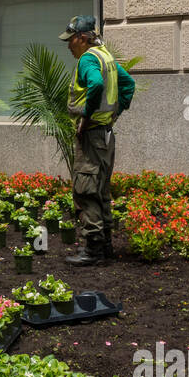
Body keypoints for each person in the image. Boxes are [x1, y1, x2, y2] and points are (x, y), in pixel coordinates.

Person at [59, 15, 134, 266]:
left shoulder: (88, 59)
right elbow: (128, 85)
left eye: (70, 40)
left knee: (86, 189)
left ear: (82, 38)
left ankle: (93, 251)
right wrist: (114, 114)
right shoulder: (107, 57)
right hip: (106, 135)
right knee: (101, 189)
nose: (68, 45)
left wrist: (87, 119)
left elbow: (96, 84)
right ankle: (106, 245)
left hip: (92, 136)